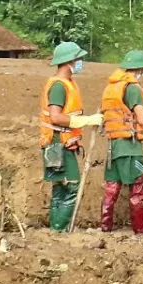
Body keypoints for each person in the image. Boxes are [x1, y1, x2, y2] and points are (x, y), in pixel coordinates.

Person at [40, 41, 102, 232]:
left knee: (59, 188)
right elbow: (56, 116)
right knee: (71, 187)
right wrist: (87, 120)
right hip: (58, 144)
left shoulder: (68, 84)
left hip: (58, 143)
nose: (81, 62)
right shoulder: (59, 86)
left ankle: (55, 230)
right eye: (78, 59)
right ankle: (59, 229)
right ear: (69, 61)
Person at [100, 49, 143, 235]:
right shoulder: (132, 89)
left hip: (114, 147)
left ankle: (105, 228)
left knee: (112, 188)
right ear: (139, 68)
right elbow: (141, 119)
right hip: (130, 148)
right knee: (137, 190)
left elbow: (121, 118)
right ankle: (140, 231)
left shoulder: (112, 87)